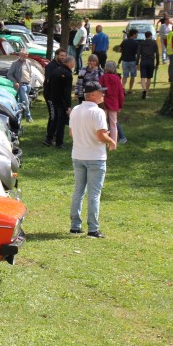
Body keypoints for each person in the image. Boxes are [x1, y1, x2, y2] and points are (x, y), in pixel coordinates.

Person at [68, 81, 116, 238]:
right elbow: (101, 135)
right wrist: (111, 141)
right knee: (94, 194)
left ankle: (75, 226)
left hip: (78, 155)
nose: (103, 95)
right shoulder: (98, 112)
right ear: (92, 95)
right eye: (101, 92)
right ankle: (93, 229)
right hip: (95, 157)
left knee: (78, 191)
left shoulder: (75, 110)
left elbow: (71, 134)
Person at [47, 56, 75, 149]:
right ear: (69, 63)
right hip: (62, 101)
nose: (74, 65)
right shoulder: (67, 74)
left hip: (54, 98)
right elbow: (67, 91)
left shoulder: (56, 70)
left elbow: (49, 84)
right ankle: (59, 142)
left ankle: (49, 138)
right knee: (61, 122)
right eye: (73, 63)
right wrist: (68, 105)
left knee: (55, 119)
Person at [43, 48, 67, 146]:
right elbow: (49, 81)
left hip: (57, 96)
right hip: (50, 95)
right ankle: (49, 138)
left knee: (56, 116)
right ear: (56, 55)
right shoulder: (50, 66)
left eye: (64, 56)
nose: (63, 57)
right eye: (61, 55)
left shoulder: (62, 65)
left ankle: (52, 135)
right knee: (53, 116)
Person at [99, 61, 124, 144]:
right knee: (113, 124)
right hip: (114, 103)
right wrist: (120, 105)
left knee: (103, 123)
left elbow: (99, 90)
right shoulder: (117, 78)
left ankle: (104, 140)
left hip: (104, 103)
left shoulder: (103, 77)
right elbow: (121, 93)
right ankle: (113, 141)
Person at [7, 51, 33, 122]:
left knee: (22, 101)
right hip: (21, 84)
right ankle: (28, 117)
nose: (22, 57)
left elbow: (29, 72)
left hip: (28, 84)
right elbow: (9, 74)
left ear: (27, 55)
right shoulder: (15, 63)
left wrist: (30, 81)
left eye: (24, 55)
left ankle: (19, 115)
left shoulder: (29, 62)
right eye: (21, 55)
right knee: (26, 101)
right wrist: (15, 82)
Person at [137, 30, 159, 99]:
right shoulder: (154, 43)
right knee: (149, 78)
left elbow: (138, 54)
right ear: (151, 36)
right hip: (151, 61)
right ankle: (146, 92)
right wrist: (158, 62)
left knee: (143, 77)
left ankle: (143, 89)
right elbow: (157, 53)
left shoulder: (141, 43)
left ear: (145, 36)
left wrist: (137, 62)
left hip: (143, 61)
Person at [119, 29, 140, 93]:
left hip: (125, 60)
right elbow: (138, 53)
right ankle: (130, 89)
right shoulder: (136, 43)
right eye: (136, 34)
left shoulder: (124, 41)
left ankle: (123, 88)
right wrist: (138, 62)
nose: (137, 35)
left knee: (125, 76)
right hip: (132, 61)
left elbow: (120, 49)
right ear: (133, 34)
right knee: (132, 76)